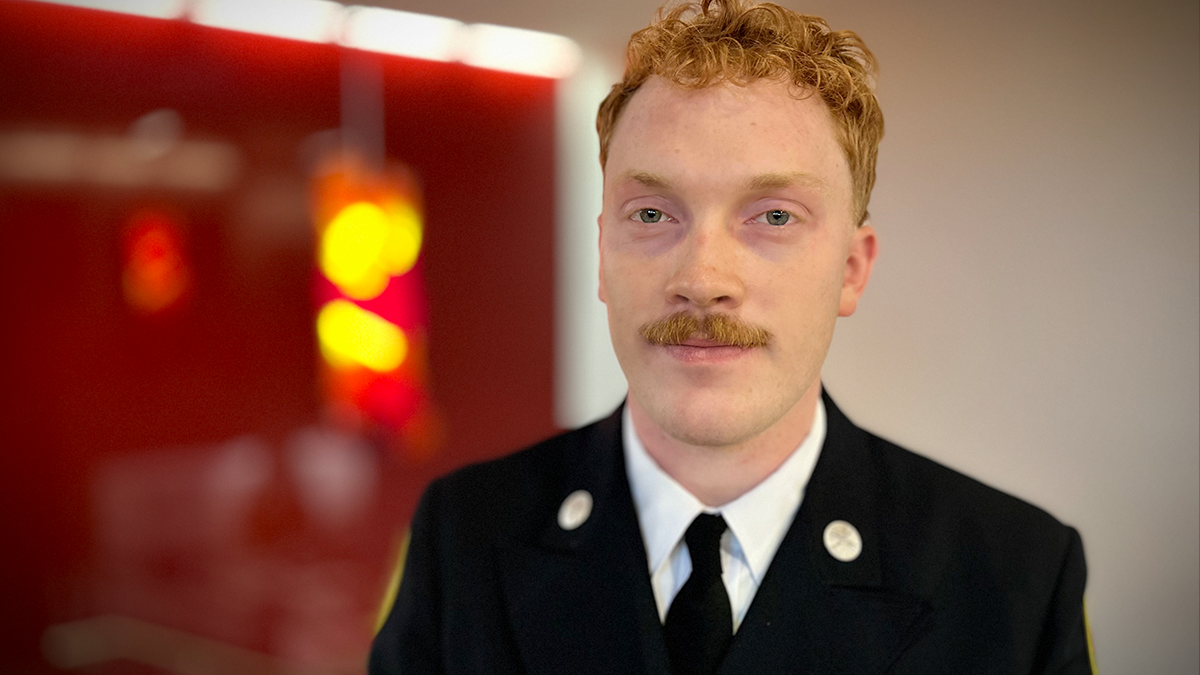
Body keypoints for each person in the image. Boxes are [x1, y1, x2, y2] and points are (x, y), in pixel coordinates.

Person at [369, 1, 1095, 672]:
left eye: (773, 216)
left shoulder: (1016, 575)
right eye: (652, 214)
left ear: (850, 269)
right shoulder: (460, 537)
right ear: (601, 256)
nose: (702, 276)